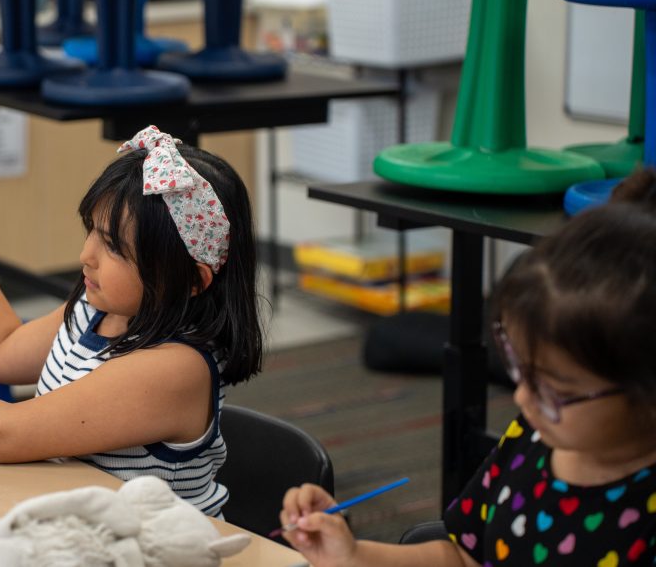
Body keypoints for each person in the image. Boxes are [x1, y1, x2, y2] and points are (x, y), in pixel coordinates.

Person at [0, 125, 264, 516]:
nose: (85, 255)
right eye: (90, 230)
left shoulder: (176, 366)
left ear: (191, 279)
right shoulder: (99, 310)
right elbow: (0, 353)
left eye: (113, 246)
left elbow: (5, 434)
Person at [279, 167, 656, 565]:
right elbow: (460, 555)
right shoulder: (531, 439)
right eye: (520, 370)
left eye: (555, 391)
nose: (522, 397)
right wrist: (353, 555)